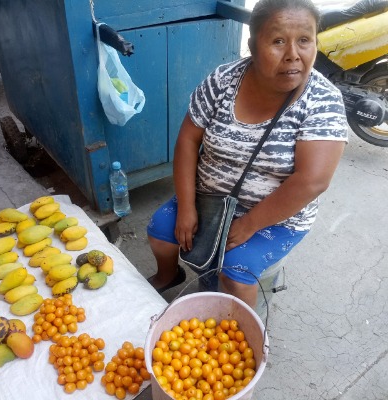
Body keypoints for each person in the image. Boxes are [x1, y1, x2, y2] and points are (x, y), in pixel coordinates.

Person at [147, 0, 348, 308]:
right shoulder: (222, 81)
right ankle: (168, 275)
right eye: (278, 41)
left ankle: (238, 323)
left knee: (235, 272)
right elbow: (188, 140)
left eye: (304, 40)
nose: (293, 54)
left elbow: (312, 181)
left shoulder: (323, 101)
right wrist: (186, 206)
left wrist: (251, 223)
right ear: (253, 46)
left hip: (276, 217)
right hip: (209, 199)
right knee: (161, 230)